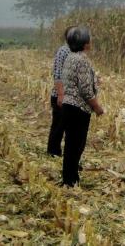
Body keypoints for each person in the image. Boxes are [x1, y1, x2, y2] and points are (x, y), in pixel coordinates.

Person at [59, 26, 104, 187]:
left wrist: (94, 81)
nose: (91, 41)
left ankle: (68, 179)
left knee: (70, 145)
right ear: (85, 43)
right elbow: (85, 91)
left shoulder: (71, 57)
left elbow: (75, 81)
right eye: (89, 39)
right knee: (76, 145)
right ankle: (71, 181)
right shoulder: (82, 60)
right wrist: (98, 107)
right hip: (78, 109)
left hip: (68, 107)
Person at [47, 26, 75, 156]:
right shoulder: (63, 51)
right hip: (62, 95)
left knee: (71, 129)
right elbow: (58, 74)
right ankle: (53, 152)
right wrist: (60, 94)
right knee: (59, 126)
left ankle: (68, 157)